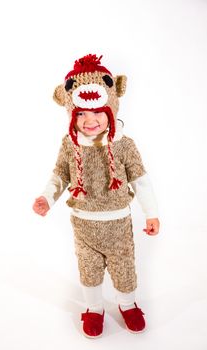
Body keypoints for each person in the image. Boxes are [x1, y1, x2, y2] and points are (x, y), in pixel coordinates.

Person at [33, 54, 160, 338]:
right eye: (80, 114)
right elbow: (60, 175)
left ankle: (127, 304)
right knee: (88, 270)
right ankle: (93, 309)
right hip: (84, 225)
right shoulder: (69, 145)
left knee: (124, 268)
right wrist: (47, 198)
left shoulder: (124, 145)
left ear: (112, 109)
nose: (89, 120)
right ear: (70, 114)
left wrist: (151, 212)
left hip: (118, 225)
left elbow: (140, 179)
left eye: (97, 112)